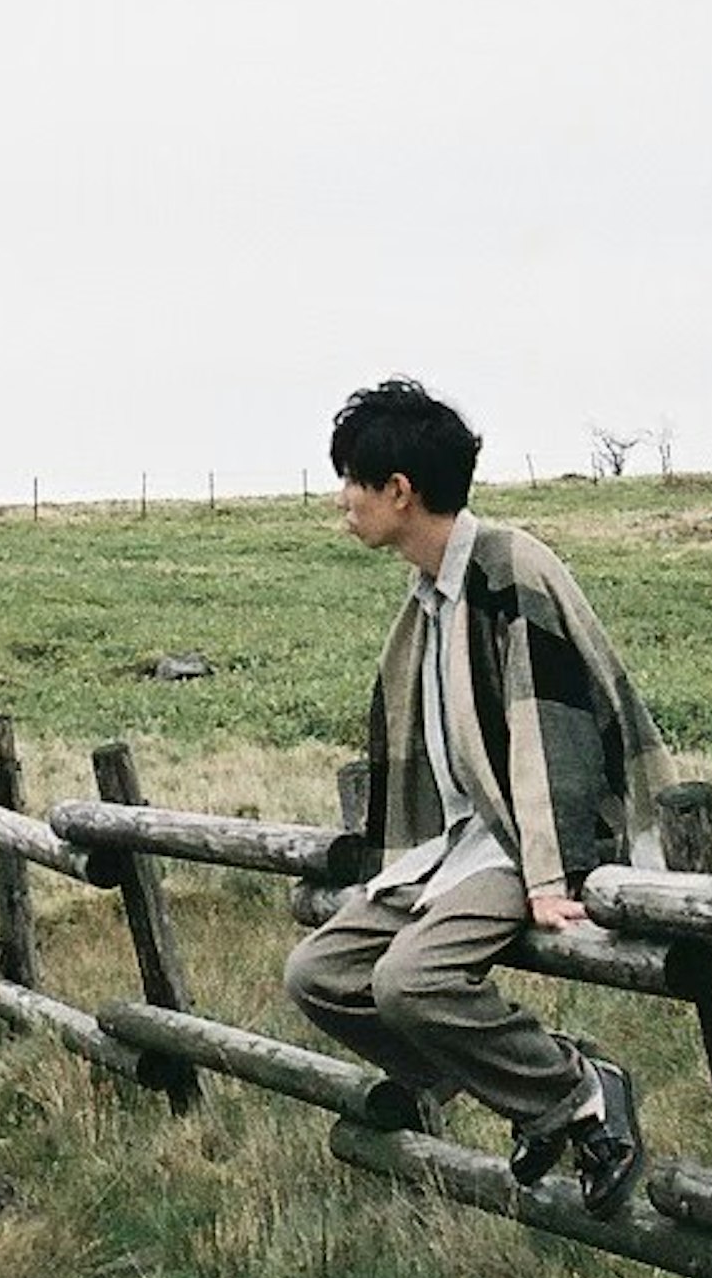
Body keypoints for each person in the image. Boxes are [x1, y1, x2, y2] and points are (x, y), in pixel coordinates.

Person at [285, 378, 669, 1215]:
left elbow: (551, 728)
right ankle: (517, 1086)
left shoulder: (507, 567)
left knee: (411, 985)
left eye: (353, 477)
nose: (340, 497)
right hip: (463, 842)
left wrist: (549, 874)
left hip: (527, 839)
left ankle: (577, 1095)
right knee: (318, 972)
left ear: (399, 490)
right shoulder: (428, 595)